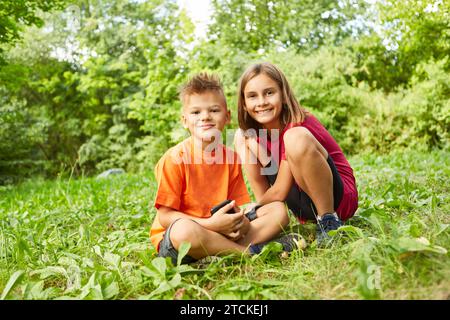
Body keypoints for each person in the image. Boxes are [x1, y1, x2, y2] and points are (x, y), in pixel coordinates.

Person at [150, 72, 302, 265]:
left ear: (227, 116)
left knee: (277, 210)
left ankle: (221, 251)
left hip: (221, 229)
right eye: (196, 112)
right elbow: (165, 217)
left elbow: (234, 206)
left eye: (214, 110)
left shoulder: (229, 158)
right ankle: (250, 253)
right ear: (185, 120)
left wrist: (241, 223)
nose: (205, 117)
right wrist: (210, 225)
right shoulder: (174, 159)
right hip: (180, 239)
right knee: (184, 231)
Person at [234, 62, 358, 246]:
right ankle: (265, 227)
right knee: (241, 135)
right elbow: (266, 196)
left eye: (269, 93)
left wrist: (251, 210)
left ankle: (328, 221)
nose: (261, 102)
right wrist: (262, 210)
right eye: (252, 96)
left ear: (283, 95)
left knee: (294, 137)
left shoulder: (298, 122)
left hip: (337, 198)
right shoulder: (254, 135)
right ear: (244, 104)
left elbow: (280, 190)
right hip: (302, 206)